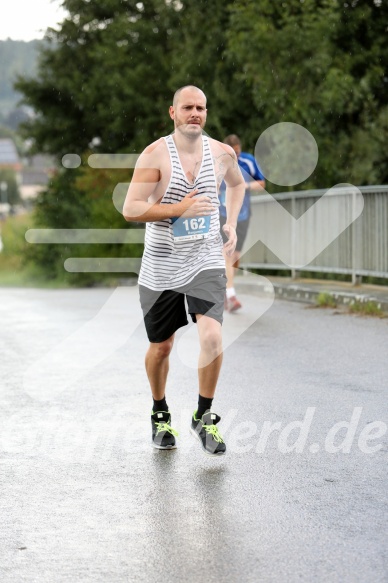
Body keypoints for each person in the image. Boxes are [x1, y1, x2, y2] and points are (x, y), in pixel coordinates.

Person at [123, 86, 245, 456]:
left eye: (201, 108)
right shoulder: (156, 154)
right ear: (172, 113)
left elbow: (237, 185)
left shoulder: (222, 154)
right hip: (161, 265)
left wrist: (232, 223)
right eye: (188, 107)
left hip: (205, 259)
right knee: (162, 347)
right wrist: (178, 209)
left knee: (211, 338)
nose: (195, 113)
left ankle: (204, 417)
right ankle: (160, 412)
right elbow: (131, 208)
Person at [219, 134, 266, 312]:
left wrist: (244, 186)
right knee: (228, 253)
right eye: (233, 154)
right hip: (223, 214)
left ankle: (225, 288)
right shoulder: (217, 163)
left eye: (238, 153)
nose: (236, 157)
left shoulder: (248, 161)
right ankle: (230, 294)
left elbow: (262, 184)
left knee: (236, 256)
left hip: (243, 214)